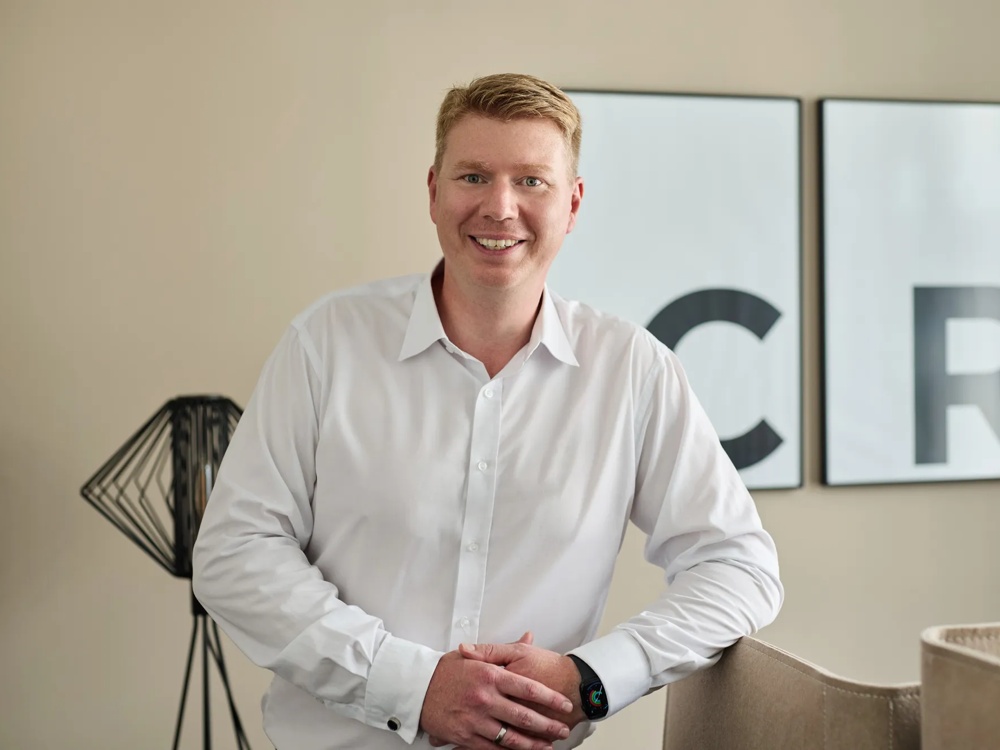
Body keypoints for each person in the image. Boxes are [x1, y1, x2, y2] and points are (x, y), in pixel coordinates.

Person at [192, 72, 783, 750]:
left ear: (573, 204)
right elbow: (234, 551)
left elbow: (739, 565)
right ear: (434, 192)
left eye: (532, 181)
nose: (500, 207)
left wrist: (592, 678)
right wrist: (407, 685)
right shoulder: (327, 344)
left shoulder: (632, 370)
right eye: (473, 176)